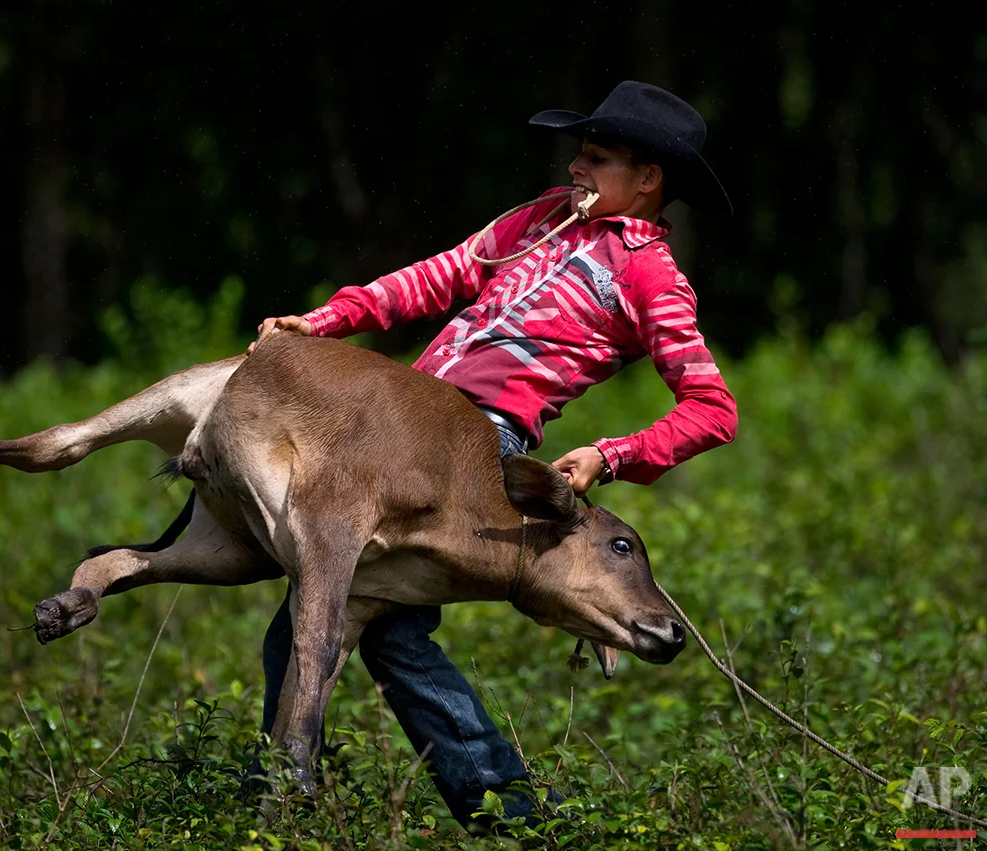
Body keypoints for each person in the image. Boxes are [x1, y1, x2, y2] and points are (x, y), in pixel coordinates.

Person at [249, 80, 738, 829]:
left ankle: (484, 808)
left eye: (597, 158)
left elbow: (712, 409)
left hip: (476, 444)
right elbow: (438, 275)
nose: (577, 167)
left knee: (359, 615)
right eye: (580, 152)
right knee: (331, 610)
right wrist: (325, 320)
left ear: (647, 182)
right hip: (395, 422)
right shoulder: (541, 216)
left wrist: (611, 453)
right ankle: (492, 809)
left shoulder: (653, 276)